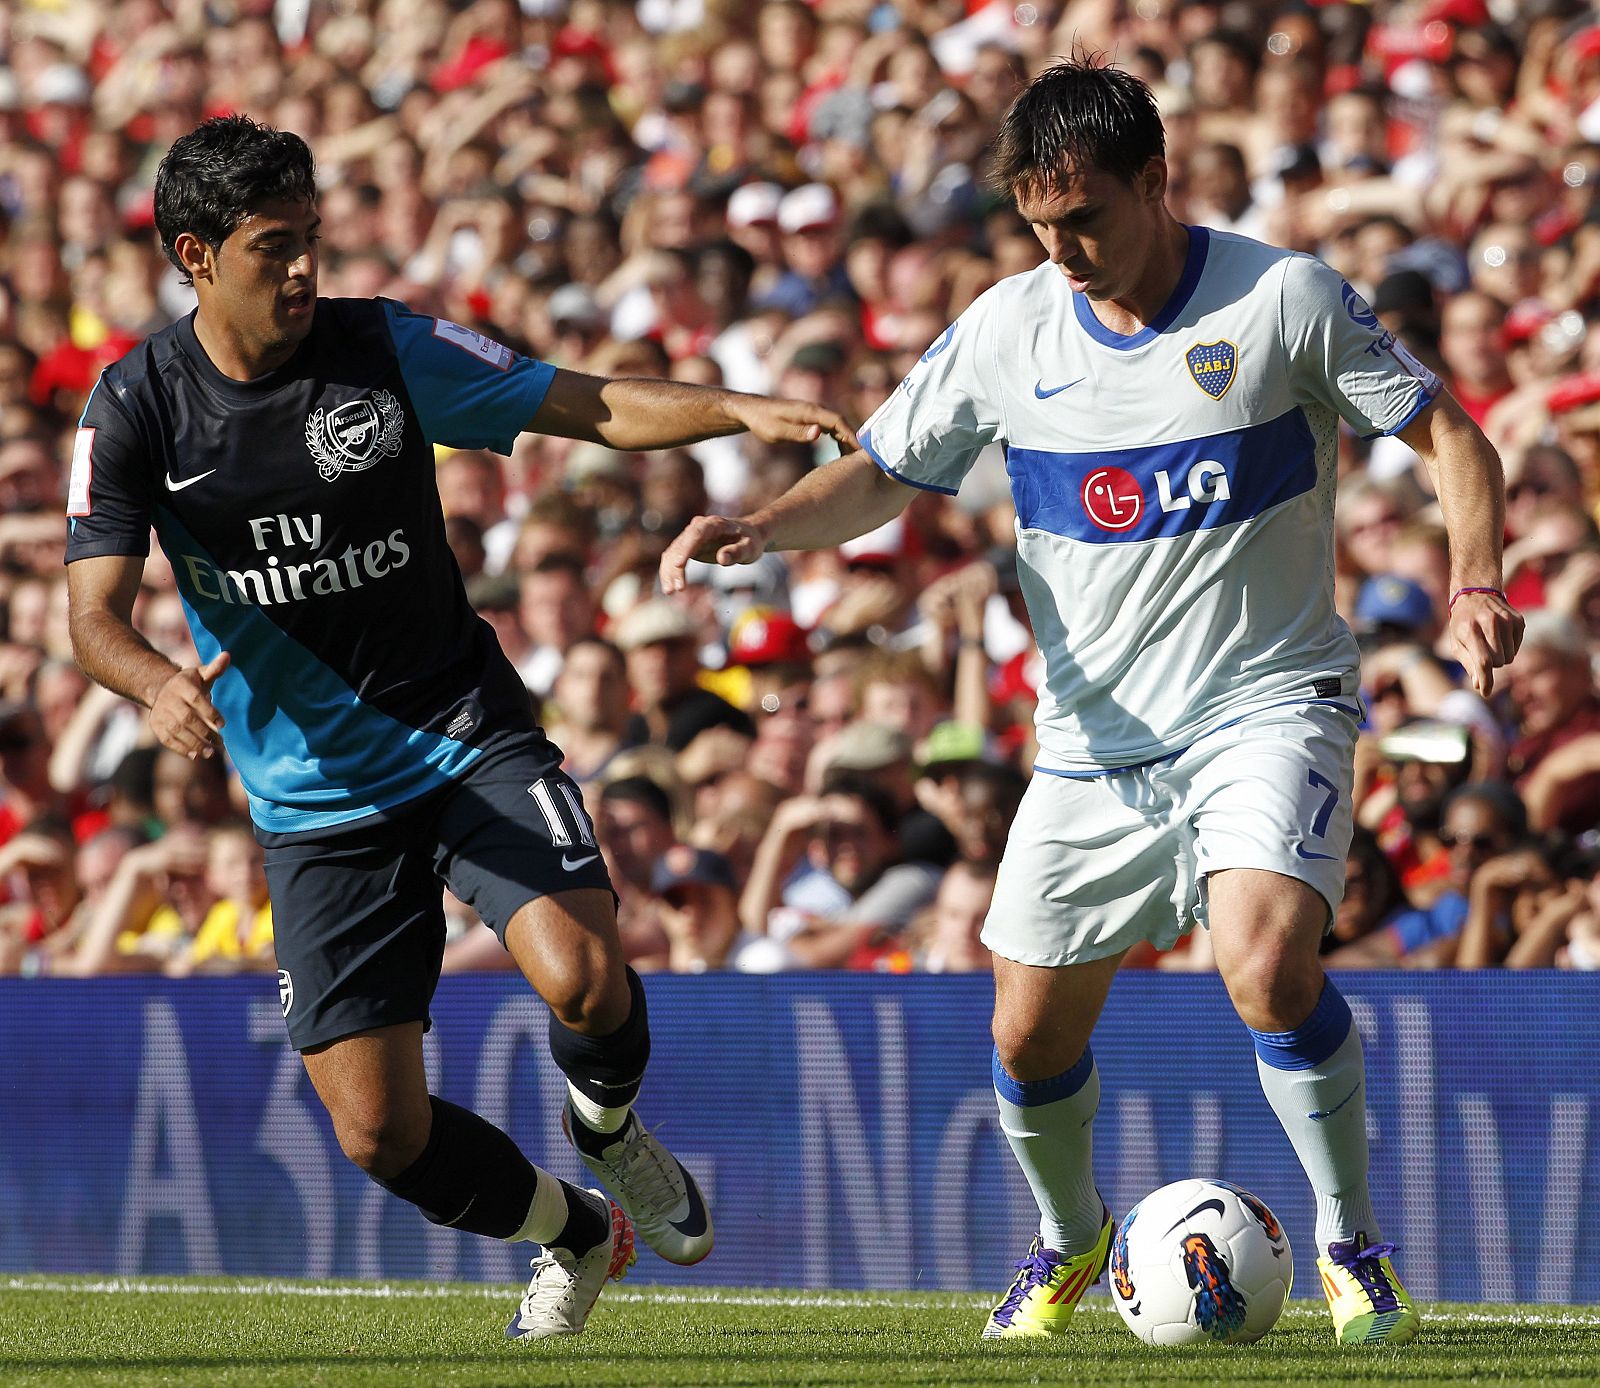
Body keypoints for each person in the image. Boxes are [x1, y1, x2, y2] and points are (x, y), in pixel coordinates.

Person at [663, 58, 1524, 1347]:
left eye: (1088, 220)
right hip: (1088, 749)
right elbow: (885, 476)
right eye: (1040, 226)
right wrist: (762, 529)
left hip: (1264, 699)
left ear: (1155, 182)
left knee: (1265, 961)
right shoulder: (1008, 328)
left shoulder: (1281, 299)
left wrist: (1470, 582)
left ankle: (1350, 1243)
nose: (1065, 251)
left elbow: (1453, 435)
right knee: (1022, 1033)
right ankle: (1071, 1241)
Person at [63, 116, 853, 1341]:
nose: (302, 270)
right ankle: (575, 1229)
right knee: (380, 1131)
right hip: (312, 799)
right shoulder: (133, 409)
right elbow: (90, 616)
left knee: (587, 975)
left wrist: (734, 410)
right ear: (194, 253)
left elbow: (573, 402)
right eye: (273, 248)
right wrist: (153, 679)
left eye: (311, 240)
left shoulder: (382, 345)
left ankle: (609, 1126)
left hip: (460, 724)